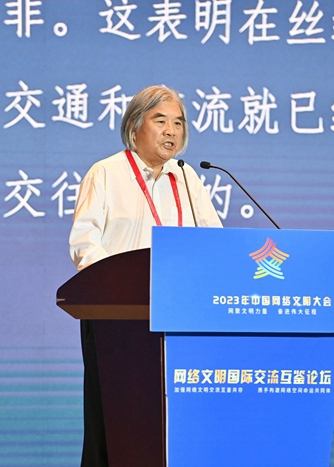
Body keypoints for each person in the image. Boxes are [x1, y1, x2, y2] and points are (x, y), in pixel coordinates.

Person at [68, 85, 222, 467]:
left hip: (180, 316)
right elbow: (85, 243)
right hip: (115, 317)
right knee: (115, 419)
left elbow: (215, 244)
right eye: (161, 121)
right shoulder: (106, 173)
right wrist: (113, 288)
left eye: (178, 123)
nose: (172, 131)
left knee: (172, 421)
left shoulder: (187, 179)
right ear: (135, 125)